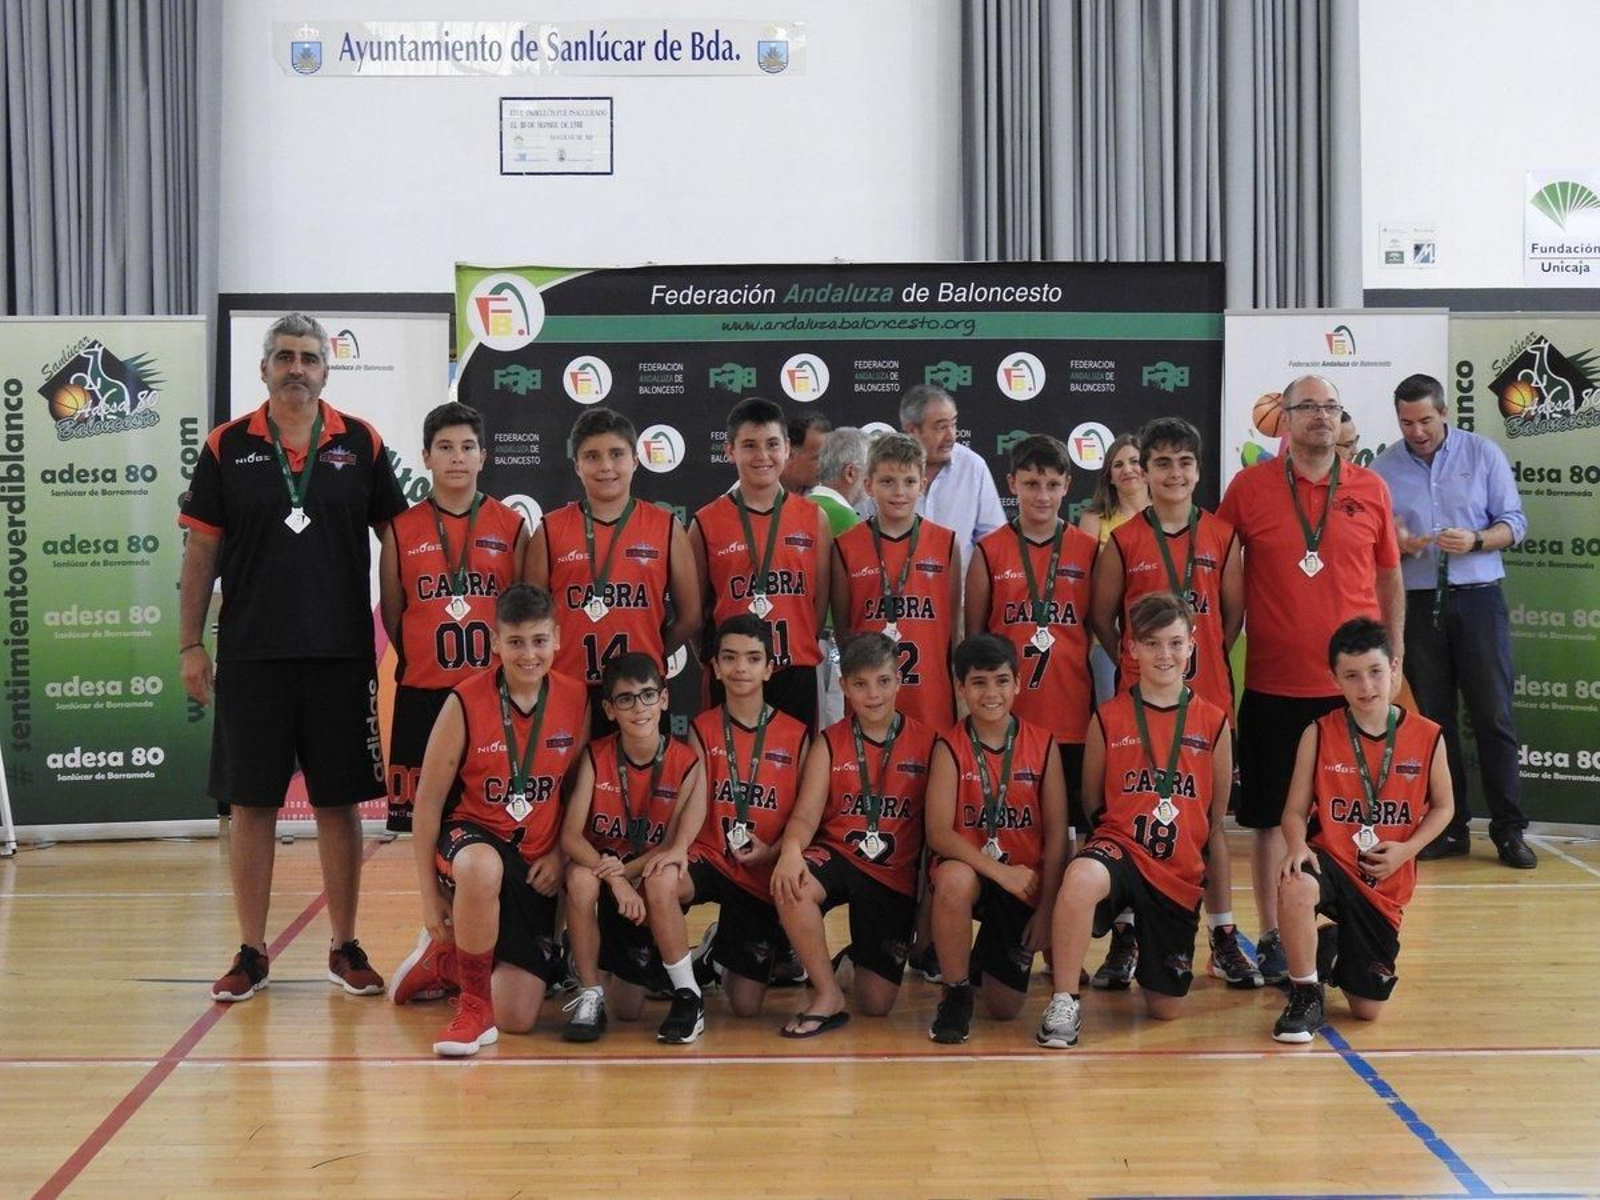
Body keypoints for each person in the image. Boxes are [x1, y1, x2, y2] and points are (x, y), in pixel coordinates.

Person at [178, 312, 405, 1003]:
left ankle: (345, 945)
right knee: (252, 805)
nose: (296, 367)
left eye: (309, 357)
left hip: (341, 656)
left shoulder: (362, 443)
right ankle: (252, 951)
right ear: (264, 368)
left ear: (326, 370)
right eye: (285, 356)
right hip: (252, 655)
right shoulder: (226, 446)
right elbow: (202, 551)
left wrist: (404, 632)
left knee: (340, 805)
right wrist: (190, 643)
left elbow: (398, 543)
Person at [1217, 374, 1404, 983]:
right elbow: (1216, 568)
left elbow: (1389, 577)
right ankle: (1274, 935)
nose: (1321, 416)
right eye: (1308, 407)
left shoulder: (1371, 488)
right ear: (1286, 417)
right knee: (1271, 820)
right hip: (1274, 683)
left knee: (1351, 818)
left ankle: (1351, 928)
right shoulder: (1248, 488)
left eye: (1331, 407)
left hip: (1352, 690)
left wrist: (1395, 655)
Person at [1089, 417, 1257, 990]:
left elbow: (1230, 618)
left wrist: (1194, 663)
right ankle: (1126, 935)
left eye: (1184, 462)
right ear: (1144, 471)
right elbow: (1103, 618)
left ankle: (1224, 935)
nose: (1174, 473)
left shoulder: (1223, 536)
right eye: (1161, 463)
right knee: (1130, 817)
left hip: (1205, 701)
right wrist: (1139, 665)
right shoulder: (1124, 540)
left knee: (1209, 822)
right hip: (1138, 708)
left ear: (1198, 470)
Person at [1037, 593, 1233, 1049]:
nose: (1165, 654)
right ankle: (1064, 1000)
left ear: (1191, 645)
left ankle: (1141, 938)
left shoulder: (1214, 721)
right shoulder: (1108, 718)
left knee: (1165, 1007)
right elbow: (1093, 801)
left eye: (1175, 643)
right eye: (1152, 643)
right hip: (1121, 851)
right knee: (1081, 876)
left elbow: (1214, 817)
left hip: (1178, 872)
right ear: (1131, 648)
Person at [408, 584, 590, 1057]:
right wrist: (429, 897)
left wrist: (559, 852)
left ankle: (447, 961)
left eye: (539, 641)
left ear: (557, 639)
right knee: (480, 866)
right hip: (474, 837)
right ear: (495, 643)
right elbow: (427, 803)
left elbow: (578, 793)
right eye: (515, 642)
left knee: (518, 1018)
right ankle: (472, 1007)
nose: (528, 654)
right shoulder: (465, 701)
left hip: (535, 861)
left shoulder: (576, 699)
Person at [1370, 374, 1534, 869]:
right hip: (1419, 605)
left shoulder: (1482, 454)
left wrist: (1477, 540)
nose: (1416, 431)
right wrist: (1397, 543)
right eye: (1406, 422)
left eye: (1425, 420)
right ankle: (1450, 827)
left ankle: (1508, 831)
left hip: (1479, 599)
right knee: (1434, 723)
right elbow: (1375, 542)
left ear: (1444, 413)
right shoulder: (1382, 469)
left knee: (1493, 717)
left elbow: (1515, 523)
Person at [1271, 617, 1454, 1042]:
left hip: (1383, 881)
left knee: (1366, 1010)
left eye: (1375, 671)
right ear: (1334, 678)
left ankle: (1332, 942)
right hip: (1333, 862)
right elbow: (1294, 811)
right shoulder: (1319, 733)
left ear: (1394, 667)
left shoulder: (1428, 736)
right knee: (1296, 883)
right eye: (1351, 675)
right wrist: (1296, 846)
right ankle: (1305, 993)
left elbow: (1445, 808)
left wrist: (1407, 850)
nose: (1366, 685)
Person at [770, 632, 937, 1036]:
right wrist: (790, 851)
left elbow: (935, 839)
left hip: (892, 875)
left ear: (899, 681)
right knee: (793, 885)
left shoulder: (929, 744)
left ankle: (851, 959)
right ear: (844, 686)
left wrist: (927, 913)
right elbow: (805, 816)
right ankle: (827, 993)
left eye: (883, 681)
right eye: (860, 684)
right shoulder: (829, 742)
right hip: (839, 856)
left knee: (876, 1005)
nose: (873, 694)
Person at [380, 402, 528, 839]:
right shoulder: (400, 530)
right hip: (424, 694)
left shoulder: (512, 526)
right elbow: (394, 614)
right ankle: (432, 889)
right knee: (426, 821)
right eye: (445, 447)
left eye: (467, 447)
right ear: (426, 457)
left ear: (484, 456)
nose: (457, 457)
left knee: (498, 819)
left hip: (492, 694)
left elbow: (524, 613)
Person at [656, 616, 811, 1025]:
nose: (741, 668)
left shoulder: (797, 734)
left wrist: (774, 852)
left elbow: (804, 815)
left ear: (769, 668)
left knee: (745, 1006)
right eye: (730, 658)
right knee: (663, 879)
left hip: (759, 871)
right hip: (710, 856)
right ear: (716, 667)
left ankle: (714, 950)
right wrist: (678, 849)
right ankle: (687, 993)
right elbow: (696, 801)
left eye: (753, 658)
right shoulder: (702, 728)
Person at [924, 634, 1069, 1044]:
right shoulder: (949, 747)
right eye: (978, 682)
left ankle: (978, 961)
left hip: (1024, 883)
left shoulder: (1043, 745)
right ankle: (956, 993)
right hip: (979, 872)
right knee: (952, 878)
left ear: (1018, 683)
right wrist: (1000, 873)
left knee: (1004, 1009)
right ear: (960, 687)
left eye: (1001, 681)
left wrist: (1047, 909)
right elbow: (938, 833)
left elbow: (1058, 833)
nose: (991, 693)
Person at [557, 653, 705, 1042]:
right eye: (625, 699)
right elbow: (571, 837)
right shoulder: (596, 756)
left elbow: (670, 845)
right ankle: (589, 992)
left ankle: (681, 988)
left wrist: (627, 875)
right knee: (580, 881)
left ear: (664, 699)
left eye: (647, 695)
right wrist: (617, 881)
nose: (639, 708)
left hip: (644, 877)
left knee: (628, 1008)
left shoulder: (686, 762)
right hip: (604, 875)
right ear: (609, 709)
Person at [527, 407, 700, 736]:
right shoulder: (549, 531)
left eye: (616, 454)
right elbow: (531, 621)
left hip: (640, 694)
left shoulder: (666, 527)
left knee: (641, 771)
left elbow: (690, 617)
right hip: (568, 690)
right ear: (577, 465)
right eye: (592, 456)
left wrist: (652, 653)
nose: (606, 466)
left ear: (635, 460)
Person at [966, 434, 1096, 841]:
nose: (1042, 495)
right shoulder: (989, 551)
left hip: (1070, 710)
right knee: (1013, 822)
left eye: (1053, 484)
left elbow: (1097, 625)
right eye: (1031, 484)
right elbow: (975, 636)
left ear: (1067, 485)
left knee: (1069, 824)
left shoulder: (1088, 550)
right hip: (1007, 713)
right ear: (1012, 484)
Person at [691, 397, 832, 730]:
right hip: (733, 675)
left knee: (797, 762)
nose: (762, 456)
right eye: (749, 445)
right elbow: (695, 616)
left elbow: (818, 605)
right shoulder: (705, 522)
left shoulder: (815, 518)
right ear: (730, 451)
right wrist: (721, 660)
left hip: (795, 673)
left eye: (772, 444)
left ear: (787, 449)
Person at [833, 432, 961, 730]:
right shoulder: (845, 546)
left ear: (922, 485)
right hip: (870, 700)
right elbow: (843, 632)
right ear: (868, 485)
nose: (899, 492)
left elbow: (953, 632)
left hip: (930, 700)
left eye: (909, 481)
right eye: (887, 481)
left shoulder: (946, 544)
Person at [898, 383, 1005, 569]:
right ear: (912, 430)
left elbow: (994, 539)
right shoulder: (885, 468)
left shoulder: (973, 466)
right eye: (941, 427)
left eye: (953, 425)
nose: (951, 436)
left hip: (960, 586)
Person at [1079, 434, 1150, 706]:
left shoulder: (1165, 516)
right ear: (1109, 477)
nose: (1128, 469)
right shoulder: (1094, 520)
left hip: (1158, 639)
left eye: (1134, 461)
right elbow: (1084, 588)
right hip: (1107, 641)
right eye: (1118, 465)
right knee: (1114, 717)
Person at [809, 426, 868, 730]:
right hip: (831, 646)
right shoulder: (848, 521)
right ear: (851, 473)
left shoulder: (800, 508)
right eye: (869, 474)